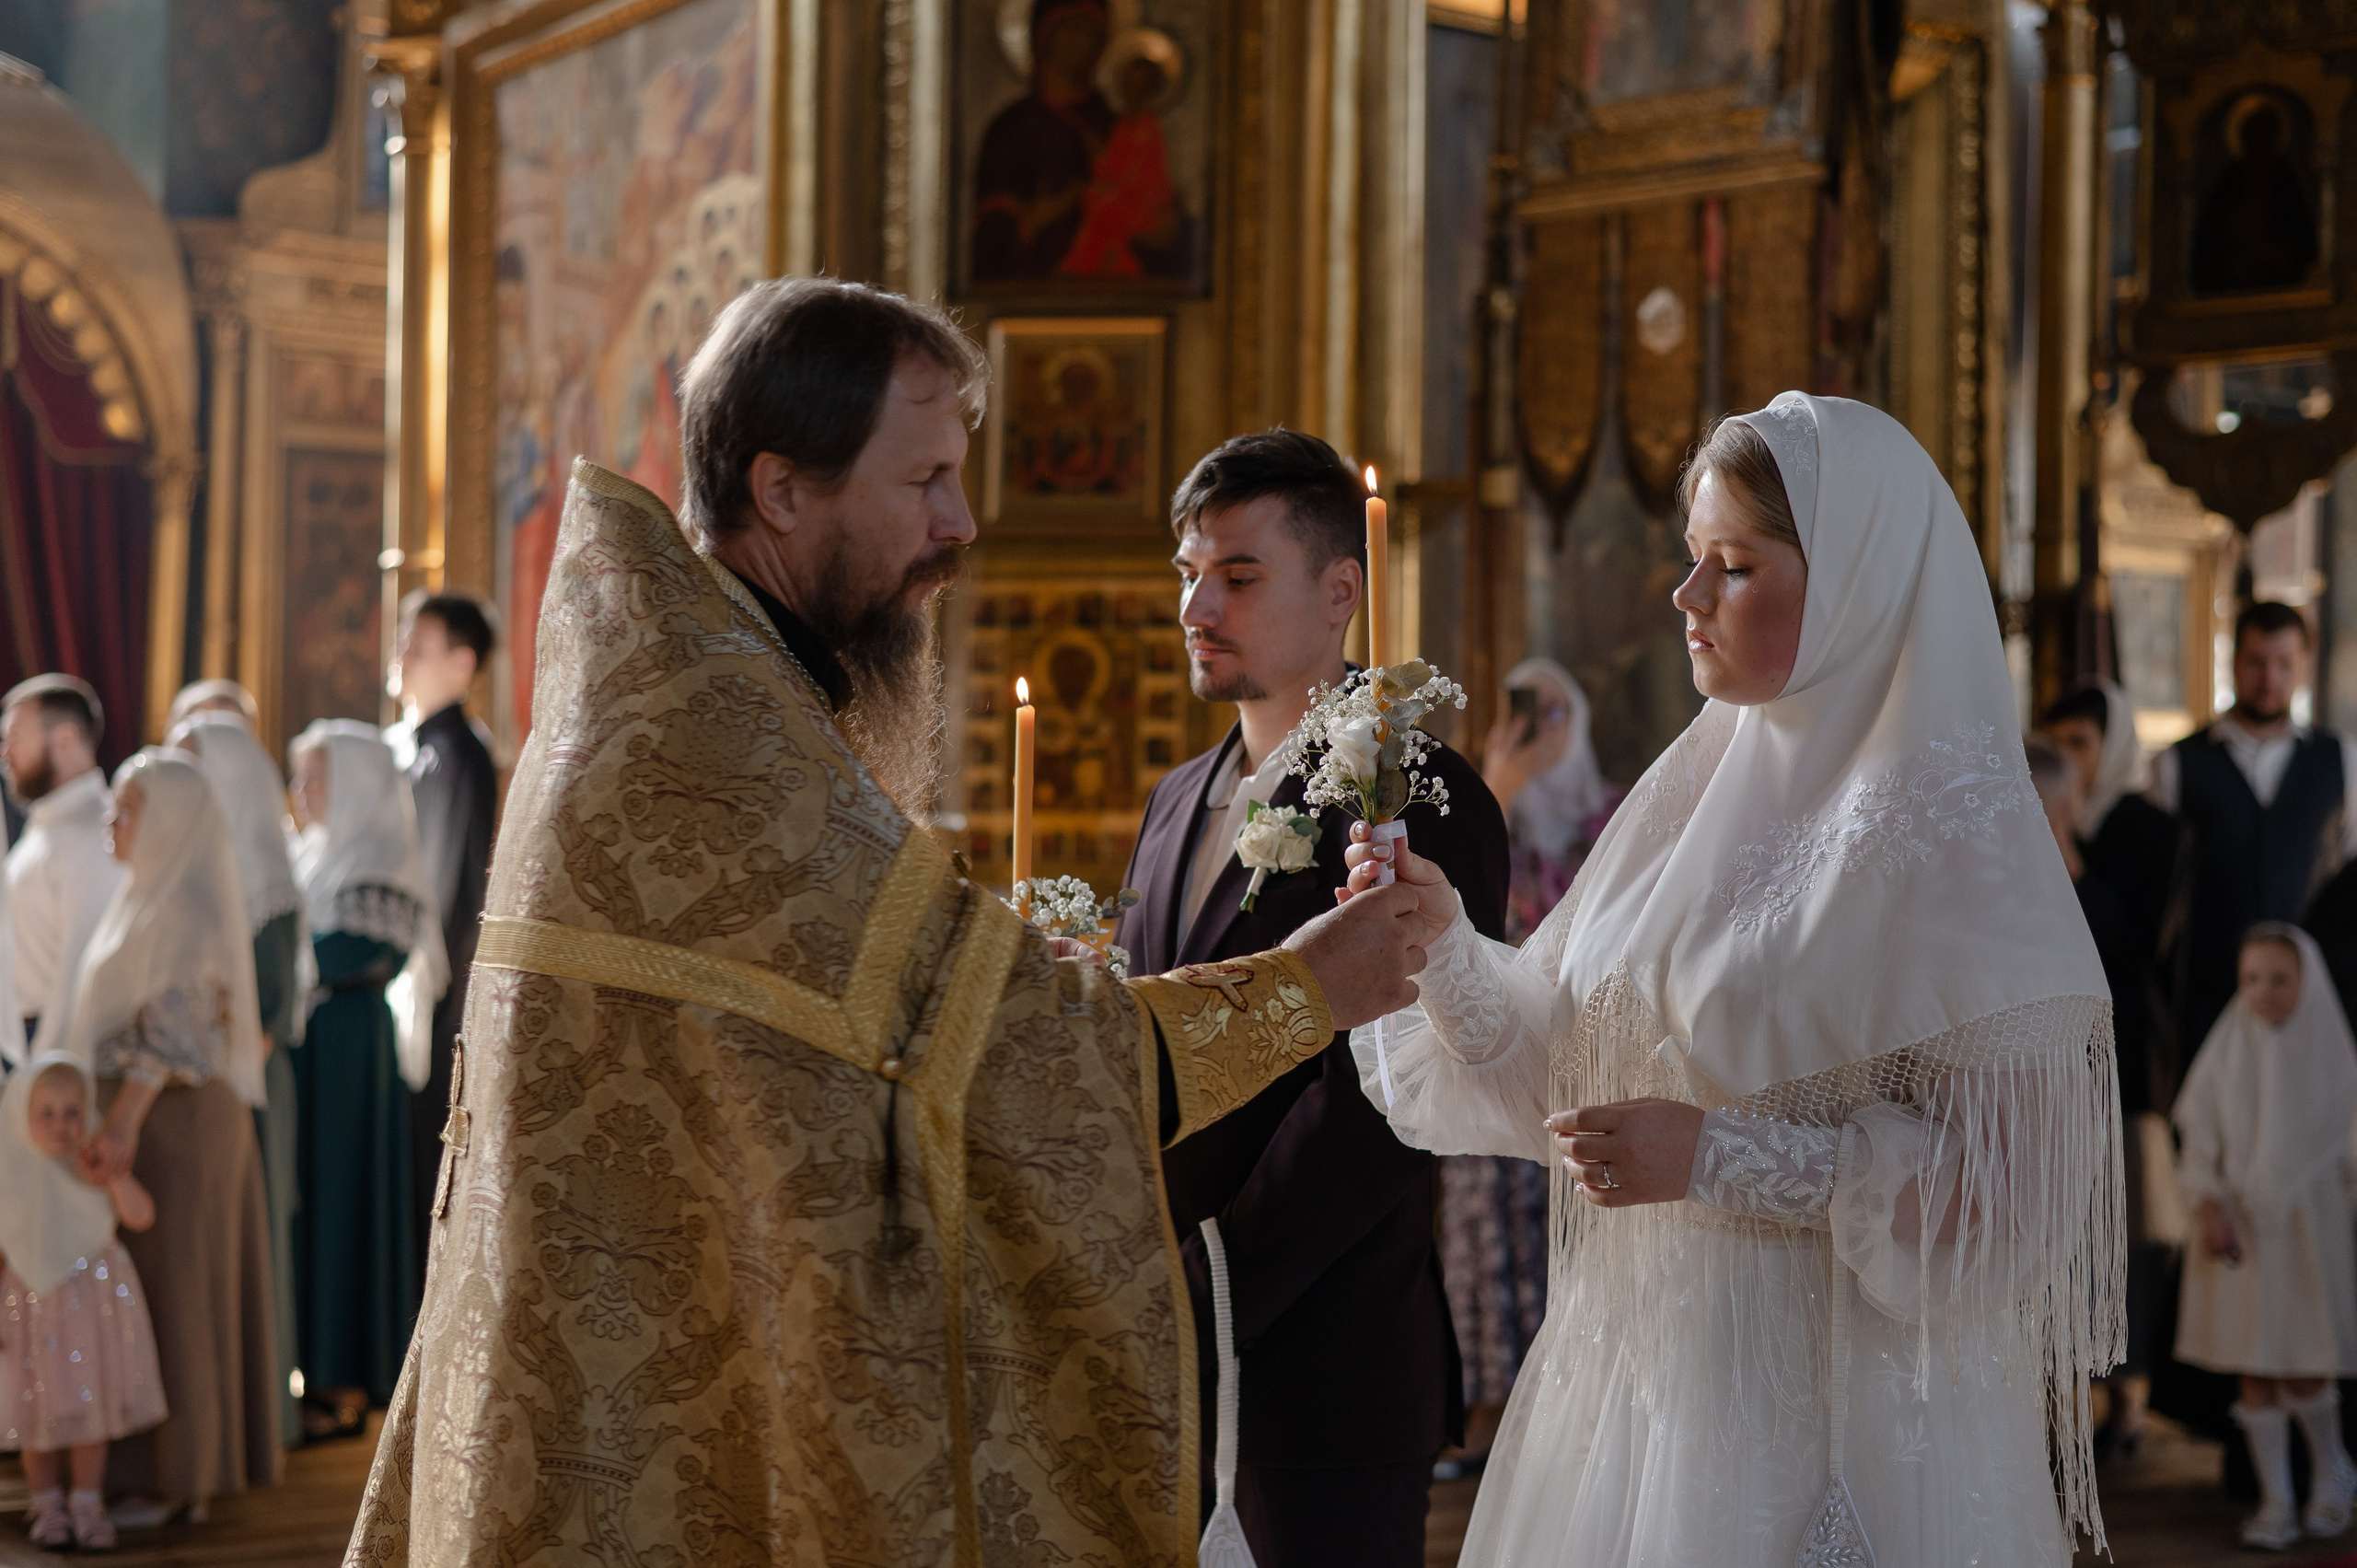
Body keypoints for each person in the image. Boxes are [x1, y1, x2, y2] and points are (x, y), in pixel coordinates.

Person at [344, 277, 1434, 1564]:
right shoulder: (718, 739)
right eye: (922, 481)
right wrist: (1308, 984)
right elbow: (1023, 1049)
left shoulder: (684, 682)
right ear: (784, 489)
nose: (961, 524)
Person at [1340, 397, 2123, 1564]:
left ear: (1855, 582)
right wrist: (1441, 942)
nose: (1686, 595)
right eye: (1690, 558)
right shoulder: (1687, 793)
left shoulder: (1959, 843)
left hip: (1842, 1417)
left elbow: (2005, 1195)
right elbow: (1567, 1062)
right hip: (1634, 1396)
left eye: (1734, 564)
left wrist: (1715, 1157)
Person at [1112, 428, 1510, 1567]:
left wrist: (1202, 1291)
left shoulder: (1415, 794)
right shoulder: (1175, 796)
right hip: (1161, 1340)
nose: (1199, 604)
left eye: (1237, 576)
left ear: (1340, 590)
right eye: (1187, 573)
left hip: (1321, 1347)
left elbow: (1386, 1096)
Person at [68, 748, 280, 1523]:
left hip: (174, 1124)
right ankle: (147, 1471)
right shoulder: (143, 897)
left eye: (128, 808)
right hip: (147, 1121)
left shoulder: (183, 910)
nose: (111, 822)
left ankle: (178, 1478)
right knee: (145, 1296)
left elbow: (170, 1038)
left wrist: (119, 1126)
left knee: (180, 1293)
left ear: (173, 823)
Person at [2173, 924, 2357, 1550]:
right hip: (2243, 1228)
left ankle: (2332, 1474)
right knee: (2254, 1367)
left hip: (2310, 1229)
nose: (2264, 992)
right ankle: (2276, 1497)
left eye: (2280, 978)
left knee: (2305, 1361)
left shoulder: (2333, 1056)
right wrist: (2205, 1201)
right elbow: (2197, 1130)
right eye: (2252, 978)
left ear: (2306, 981)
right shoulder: (2227, 1049)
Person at [286, 720, 442, 1441]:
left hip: (350, 1047)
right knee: (315, 1202)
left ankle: (345, 1377)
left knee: (344, 1201)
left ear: (353, 785)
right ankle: (313, 1370)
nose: (301, 793)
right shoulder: (314, 856)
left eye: (316, 777)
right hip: (320, 1046)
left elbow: (347, 952)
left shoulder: (378, 862)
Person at [2039, 680, 2178, 1459]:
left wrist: (2075, 866)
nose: (2069, 757)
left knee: (2126, 1237)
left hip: (2129, 1065)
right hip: (2052, 1065)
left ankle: (2128, 1402)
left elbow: (2141, 953)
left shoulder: (2151, 832)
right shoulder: (2031, 817)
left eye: (2082, 742)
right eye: (2056, 741)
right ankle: (2065, 1398)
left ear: (2113, 745)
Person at [168, 696, 308, 1450]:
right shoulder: (193, 873)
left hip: (247, 1092)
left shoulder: (268, 887)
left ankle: (259, 1421)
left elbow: (267, 1016)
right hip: (206, 1087)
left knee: (252, 1248)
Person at [2150, 601, 2357, 1070]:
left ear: (2304, 664)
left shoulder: (2341, 760)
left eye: (2284, 664)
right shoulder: (2176, 764)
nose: (2269, 679)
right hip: (2207, 996)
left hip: (2313, 1001)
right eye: (2256, 662)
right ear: (2233, 662)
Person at [0, 1050, 167, 1551]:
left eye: (72, 1112)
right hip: (31, 1309)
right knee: (36, 1411)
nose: (60, 1125)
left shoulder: (95, 1161)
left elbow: (142, 1217)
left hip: (93, 1307)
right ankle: (46, 1502)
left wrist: (115, 1178)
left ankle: (88, 1502)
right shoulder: (13, 1174)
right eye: (45, 1113)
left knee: (88, 1408)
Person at [383, 591, 499, 1291]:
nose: (400, 654)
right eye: (401, 638)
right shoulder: (418, 747)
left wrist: (426, 992)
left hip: (436, 992)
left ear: (461, 663)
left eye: (417, 644)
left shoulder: (457, 753)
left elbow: (446, 888)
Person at [2, 675, 126, 1053]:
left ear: (66, 738)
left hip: (48, 1044)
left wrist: (45, 1067)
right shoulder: (46, 824)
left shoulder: (97, 833)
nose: (5, 754)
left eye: (15, 739)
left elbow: (81, 965)